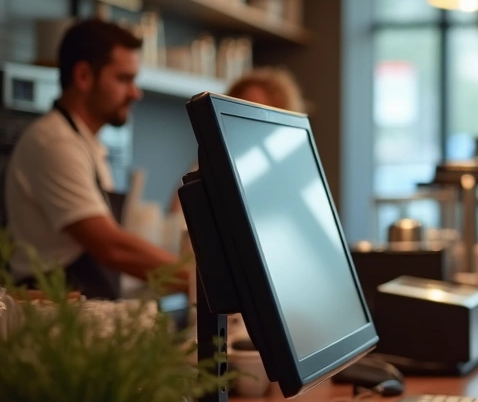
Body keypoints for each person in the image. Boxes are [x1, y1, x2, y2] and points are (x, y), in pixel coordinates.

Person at [4, 19, 186, 299]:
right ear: (84, 76)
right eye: (124, 79)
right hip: (52, 315)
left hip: (83, 310)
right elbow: (111, 247)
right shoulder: (54, 142)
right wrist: (200, 279)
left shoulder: (85, 144)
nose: (135, 93)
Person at [167, 67, 305, 213]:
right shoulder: (208, 166)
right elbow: (177, 217)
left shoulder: (287, 180)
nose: (242, 123)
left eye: (254, 115)